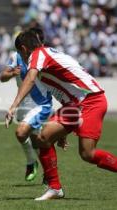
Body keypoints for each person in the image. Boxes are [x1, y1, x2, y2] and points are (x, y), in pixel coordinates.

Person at [6, 29, 117, 200]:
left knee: (88, 154)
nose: (22, 57)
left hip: (91, 101)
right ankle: (55, 188)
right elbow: (66, 90)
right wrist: (63, 130)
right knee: (44, 137)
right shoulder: (46, 54)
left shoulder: (38, 55)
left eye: (20, 53)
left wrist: (13, 106)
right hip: (74, 105)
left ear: (24, 49)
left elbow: (29, 79)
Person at [0, 27, 55, 182]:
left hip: (40, 102)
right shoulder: (16, 56)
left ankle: (45, 171)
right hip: (23, 101)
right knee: (30, 136)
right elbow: (2, 76)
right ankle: (33, 162)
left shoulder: (42, 57)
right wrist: (11, 74)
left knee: (34, 135)